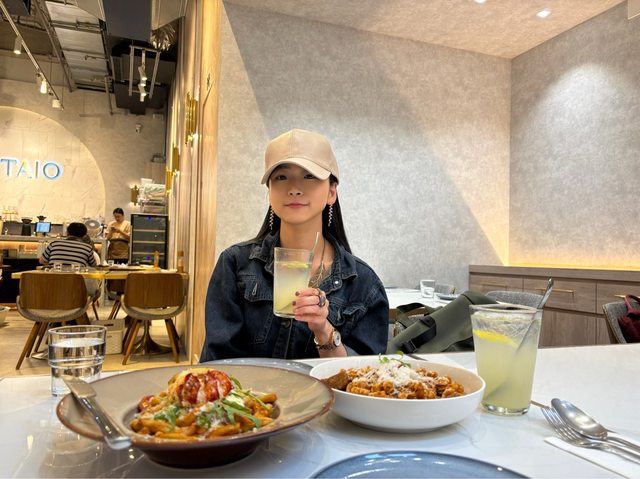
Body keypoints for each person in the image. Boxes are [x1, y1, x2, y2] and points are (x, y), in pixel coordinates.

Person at [200, 128, 389, 361]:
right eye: (281, 177)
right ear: (270, 192)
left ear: (331, 191)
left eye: (309, 176)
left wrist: (323, 329)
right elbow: (219, 365)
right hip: (247, 387)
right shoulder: (235, 264)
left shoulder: (364, 284)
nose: (294, 189)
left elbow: (364, 376)